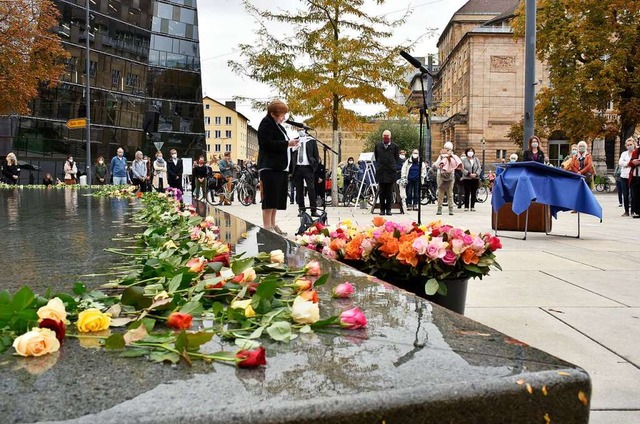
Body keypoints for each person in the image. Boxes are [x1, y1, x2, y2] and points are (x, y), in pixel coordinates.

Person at [257, 100, 299, 234]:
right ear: (273, 113)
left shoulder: (278, 126)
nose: (284, 118)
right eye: (282, 115)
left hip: (279, 168)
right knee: (269, 198)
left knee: (275, 199)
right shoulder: (266, 123)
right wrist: (287, 144)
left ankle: (273, 224)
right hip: (270, 167)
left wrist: (291, 145)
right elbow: (266, 144)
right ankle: (267, 227)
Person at [292, 128, 321, 217]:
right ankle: (301, 210)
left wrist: (314, 167)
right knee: (299, 190)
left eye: (301, 129)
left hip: (308, 168)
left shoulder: (311, 140)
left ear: (305, 130)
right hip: (297, 168)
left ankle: (313, 210)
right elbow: (291, 154)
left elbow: (316, 155)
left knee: (311, 189)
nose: (300, 131)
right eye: (298, 130)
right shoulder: (295, 140)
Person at [433, 141, 462, 216]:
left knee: (450, 194)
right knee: (440, 194)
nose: (447, 150)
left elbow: (455, 165)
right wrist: (441, 158)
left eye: (448, 149)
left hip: (450, 177)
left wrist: (449, 158)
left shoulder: (453, 157)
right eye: (446, 149)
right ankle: (439, 209)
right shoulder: (441, 156)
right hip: (441, 176)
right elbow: (436, 165)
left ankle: (451, 209)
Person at [374, 129, 399, 215]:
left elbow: (396, 158)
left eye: (387, 136)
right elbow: (377, 157)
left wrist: (392, 166)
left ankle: (388, 209)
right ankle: (382, 209)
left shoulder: (395, 146)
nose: (386, 138)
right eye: (384, 136)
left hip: (390, 172)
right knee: (381, 192)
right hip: (381, 171)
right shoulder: (378, 146)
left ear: (390, 137)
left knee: (389, 192)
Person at [461, 147, 482, 211]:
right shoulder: (464, 160)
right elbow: (462, 168)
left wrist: (476, 174)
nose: (470, 152)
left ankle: (472, 206)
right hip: (467, 178)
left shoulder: (476, 159)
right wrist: (469, 174)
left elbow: (479, 168)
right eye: (469, 151)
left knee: (474, 193)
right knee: (467, 192)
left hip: (475, 178)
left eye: (471, 151)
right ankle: (466, 206)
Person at [618, 138, 635, 216]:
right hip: (624, 176)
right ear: (625, 146)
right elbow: (620, 162)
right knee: (625, 194)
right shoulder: (624, 154)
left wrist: (626, 164)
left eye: (631, 144)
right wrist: (629, 163)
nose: (629, 146)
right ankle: (626, 211)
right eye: (628, 145)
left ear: (634, 144)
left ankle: (633, 210)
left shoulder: (635, 153)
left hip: (633, 176)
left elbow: (636, 163)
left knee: (633, 194)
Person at [628, 139, 640, 218]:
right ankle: (637, 211)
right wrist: (633, 162)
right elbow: (629, 163)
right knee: (635, 195)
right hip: (635, 176)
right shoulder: (636, 151)